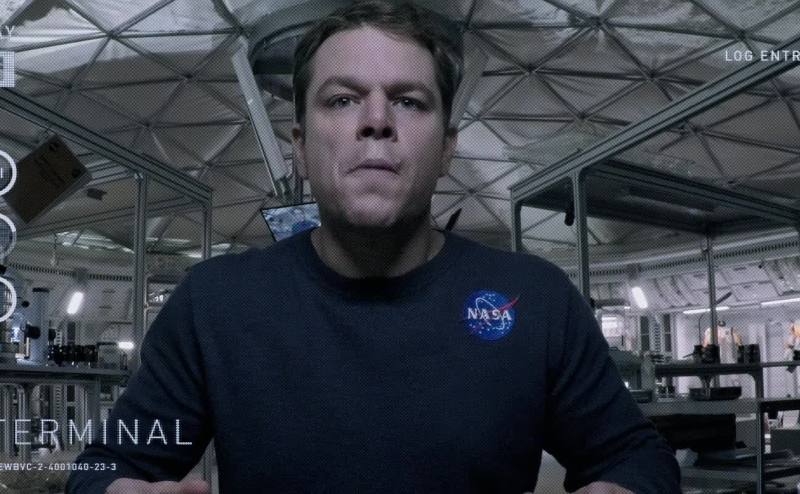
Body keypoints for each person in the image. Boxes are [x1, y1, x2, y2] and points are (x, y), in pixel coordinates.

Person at [66, 1, 680, 493]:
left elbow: (636, 457)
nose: (377, 120)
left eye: (409, 101)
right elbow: (106, 465)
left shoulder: (535, 301)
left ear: (447, 148)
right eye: (342, 99)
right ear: (300, 147)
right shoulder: (215, 305)